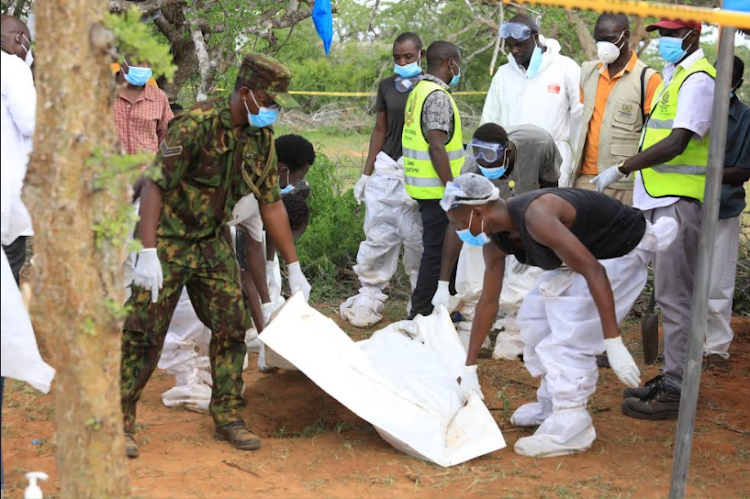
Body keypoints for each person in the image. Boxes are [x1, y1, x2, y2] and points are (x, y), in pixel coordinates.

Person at [121, 53, 311, 458]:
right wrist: (148, 252)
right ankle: (119, 420)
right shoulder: (195, 124)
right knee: (145, 330)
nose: (275, 110)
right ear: (246, 94)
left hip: (211, 241)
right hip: (170, 237)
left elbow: (271, 203)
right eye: (270, 100)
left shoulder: (260, 139)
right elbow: (154, 186)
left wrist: (294, 269)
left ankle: (227, 414)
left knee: (231, 324)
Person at [443, 173, 676, 457]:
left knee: (570, 333)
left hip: (619, 251)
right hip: (584, 257)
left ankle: (571, 424)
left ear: (478, 211)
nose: (457, 229)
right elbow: (488, 301)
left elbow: (594, 271)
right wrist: (469, 368)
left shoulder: (536, 217)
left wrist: (613, 341)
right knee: (535, 317)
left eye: (457, 222)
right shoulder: (496, 239)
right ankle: (552, 404)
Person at [591, 18, 716, 420]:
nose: (663, 41)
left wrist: (623, 167)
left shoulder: (698, 79)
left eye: (670, 35)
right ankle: (673, 376)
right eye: (660, 34)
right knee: (667, 294)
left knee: (676, 298)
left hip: (678, 200)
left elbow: (678, 141)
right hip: (660, 198)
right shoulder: (674, 76)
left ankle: (678, 389)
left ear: (692, 36)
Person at [431, 123, 560, 356]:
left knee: (525, 270)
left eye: (490, 157)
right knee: (473, 245)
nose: (484, 163)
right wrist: (442, 284)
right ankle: (472, 322)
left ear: (507, 153)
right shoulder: (473, 166)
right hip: (488, 215)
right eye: (478, 156)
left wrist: (540, 234)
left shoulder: (539, 144)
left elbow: (551, 190)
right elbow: (457, 222)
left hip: (530, 209)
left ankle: (516, 329)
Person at [342, 32, 425, 328]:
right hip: (387, 168)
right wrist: (366, 173)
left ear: (421, 55)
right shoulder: (387, 86)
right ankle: (370, 293)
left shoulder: (431, 88)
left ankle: (421, 296)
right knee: (379, 233)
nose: (402, 62)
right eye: (397, 58)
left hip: (418, 171)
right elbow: (380, 130)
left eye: (408, 57)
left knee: (418, 237)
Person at [481, 14, 582, 187]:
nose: (514, 51)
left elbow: (580, 119)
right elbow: (489, 122)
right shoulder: (503, 74)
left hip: (553, 163)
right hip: (512, 163)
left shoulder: (566, 68)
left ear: (535, 38)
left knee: (548, 210)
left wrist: (580, 166)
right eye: (510, 45)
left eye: (519, 44)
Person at [571, 13, 661, 205]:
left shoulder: (647, 79)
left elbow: (652, 137)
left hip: (625, 184)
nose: (604, 45)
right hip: (586, 180)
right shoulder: (587, 72)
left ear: (625, 36)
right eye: (599, 40)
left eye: (610, 39)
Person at [403, 40, 465, 320]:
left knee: (439, 249)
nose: (458, 69)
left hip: (423, 186)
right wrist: (451, 186)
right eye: (458, 64)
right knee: (438, 252)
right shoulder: (438, 96)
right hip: (437, 188)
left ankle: (442, 308)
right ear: (450, 63)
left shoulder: (419, 90)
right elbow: (436, 145)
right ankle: (422, 311)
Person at [230, 133, 316, 335]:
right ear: (283, 169)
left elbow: (258, 243)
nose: (299, 183)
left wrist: (272, 269)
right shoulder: (241, 185)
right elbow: (247, 274)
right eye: (299, 177)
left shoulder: (264, 191)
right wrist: (265, 335)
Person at [704, 56, 750, 369]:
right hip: (687, 203)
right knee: (685, 277)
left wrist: (704, 172)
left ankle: (717, 348)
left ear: (738, 84)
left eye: (728, 78)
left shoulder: (745, 117)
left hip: (725, 204)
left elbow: (744, 169)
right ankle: (685, 342)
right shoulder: (694, 105)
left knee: (717, 281)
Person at [1, 15, 35, 284]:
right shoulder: (12, 66)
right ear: (19, 38)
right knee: (7, 275)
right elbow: (30, 123)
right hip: (6, 197)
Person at [113, 56, 174, 156]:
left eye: (148, 63)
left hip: (147, 170)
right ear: (122, 60)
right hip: (109, 170)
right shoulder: (101, 93)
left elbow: (169, 137)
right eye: (139, 61)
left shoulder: (158, 97)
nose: (144, 67)